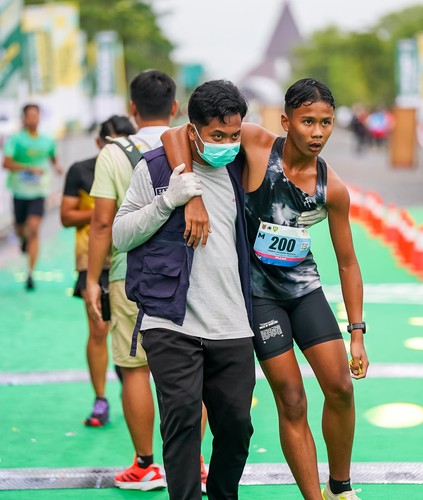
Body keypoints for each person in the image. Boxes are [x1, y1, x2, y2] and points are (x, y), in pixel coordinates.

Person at [163, 78, 369, 500]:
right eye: (307, 121)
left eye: (326, 123)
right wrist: (191, 197)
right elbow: (173, 135)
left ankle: (340, 486)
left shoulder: (333, 188)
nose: (317, 132)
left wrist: (357, 332)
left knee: (340, 388)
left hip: (304, 290)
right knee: (292, 398)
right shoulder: (257, 144)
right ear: (286, 122)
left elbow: (348, 262)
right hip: (258, 298)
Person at [112, 80, 255, 500]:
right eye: (217, 136)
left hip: (232, 323)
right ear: (193, 131)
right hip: (170, 321)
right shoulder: (156, 168)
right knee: (182, 423)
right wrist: (168, 201)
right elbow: (121, 234)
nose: (226, 144)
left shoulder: (243, 167)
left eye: (233, 135)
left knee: (237, 426)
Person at [85, 69, 179, 491]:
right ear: (174, 107)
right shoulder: (191, 143)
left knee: (135, 368)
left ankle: (145, 465)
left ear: (132, 108)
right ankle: (194, 462)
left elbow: (102, 224)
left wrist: (93, 279)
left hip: (130, 274)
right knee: (188, 369)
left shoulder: (114, 152)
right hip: (188, 273)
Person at [60, 115, 136, 428]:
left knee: (135, 334)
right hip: (92, 261)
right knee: (99, 329)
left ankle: (132, 386)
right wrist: (103, 208)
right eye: (111, 142)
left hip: (130, 259)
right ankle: (101, 398)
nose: (118, 149)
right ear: (98, 143)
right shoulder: (80, 170)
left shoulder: (141, 164)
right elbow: (66, 216)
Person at [2, 103, 63, 290]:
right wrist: (28, 168)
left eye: (36, 115)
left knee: (34, 229)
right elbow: (6, 163)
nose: (33, 119)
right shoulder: (15, 140)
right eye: (30, 116)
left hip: (39, 192)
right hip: (20, 191)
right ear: (24, 118)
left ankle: (30, 273)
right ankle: (22, 240)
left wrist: (56, 166)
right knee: (21, 229)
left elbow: (52, 155)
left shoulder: (47, 139)